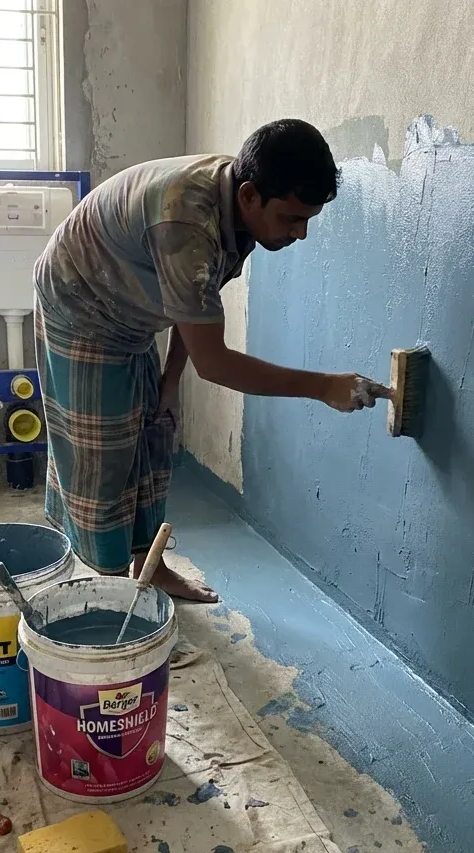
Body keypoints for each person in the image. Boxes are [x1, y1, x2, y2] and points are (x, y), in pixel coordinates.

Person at [33, 119, 390, 603]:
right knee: (104, 456)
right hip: (80, 302)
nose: (300, 234)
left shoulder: (237, 211)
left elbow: (197, 306)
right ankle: (110, 593)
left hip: (130, 308)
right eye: (291, 219)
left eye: (308, 220)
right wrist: (323, 386)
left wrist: (170, 380)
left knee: (151, 433)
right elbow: (216, 363)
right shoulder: (186, 222)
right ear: (249, 196)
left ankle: (149, 567)